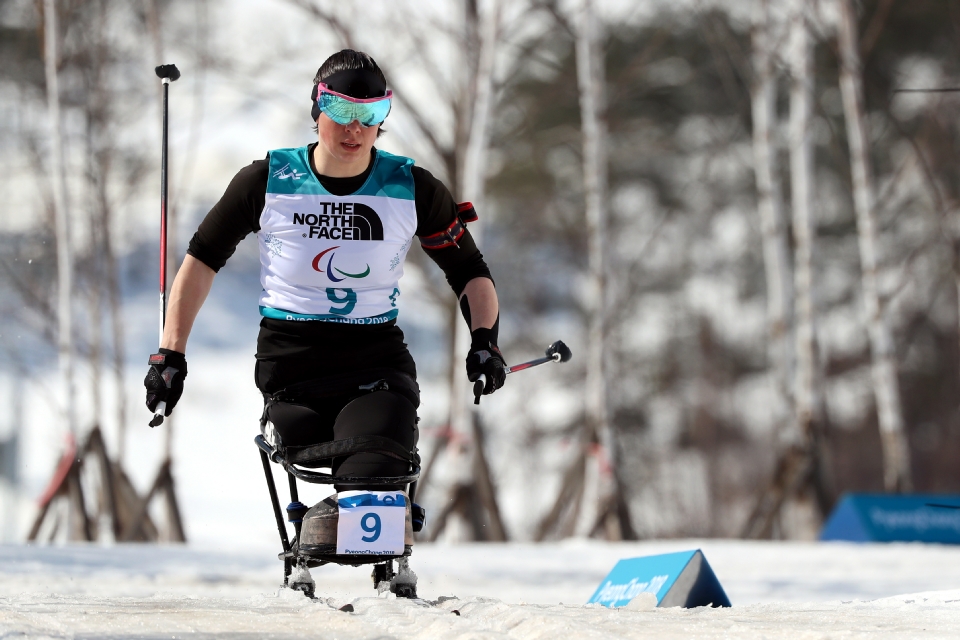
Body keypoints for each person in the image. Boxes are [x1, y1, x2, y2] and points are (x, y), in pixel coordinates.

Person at [144, 49, 505, 488]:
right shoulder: (267, 182)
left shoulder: (411, 188)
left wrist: (485, 342)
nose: (355, 128)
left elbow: (469, 270)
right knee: (328, 473)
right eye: (340, 109)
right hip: (293, 367)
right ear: (316, 107)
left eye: (371, 113)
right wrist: (170, 354)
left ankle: (373, 527)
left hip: (376, 366)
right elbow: (202, 260)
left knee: (373, 469)